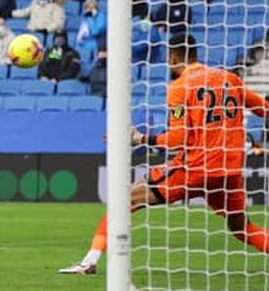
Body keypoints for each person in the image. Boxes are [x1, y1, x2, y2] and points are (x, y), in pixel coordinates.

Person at [61, 34, 269, 275]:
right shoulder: (230, 79)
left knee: (124, 200)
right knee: (242, 229)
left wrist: (139, 139)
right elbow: (264, 109)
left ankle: (89, 261)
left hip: (195, 168)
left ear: (173, 57)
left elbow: (176, 139)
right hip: (230, 172)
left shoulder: (180, 88)